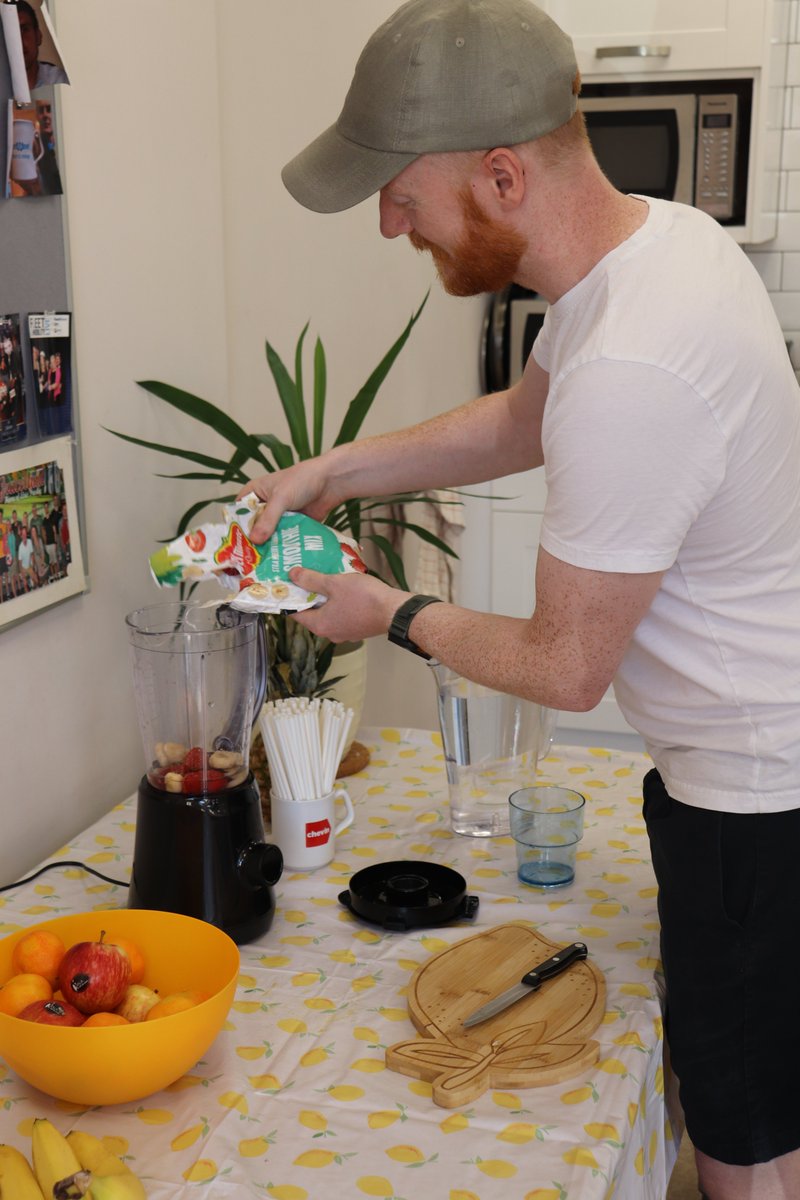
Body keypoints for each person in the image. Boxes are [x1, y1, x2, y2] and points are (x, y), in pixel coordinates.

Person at [240, 2, 800, 1196]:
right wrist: (335, 468)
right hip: (736, 764)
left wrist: (380, 610)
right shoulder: (658, 249)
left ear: (500, 175)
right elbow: (517, 420)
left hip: (758, 801)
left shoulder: (634, 361)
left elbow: (563, 667)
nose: (385, 220)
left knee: (744, 1143)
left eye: (398, 189)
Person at [16, 1, 68, 91]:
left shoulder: (58, 80)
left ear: (38, 36)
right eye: (10, 33)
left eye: (24, 29)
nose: (19, 41)